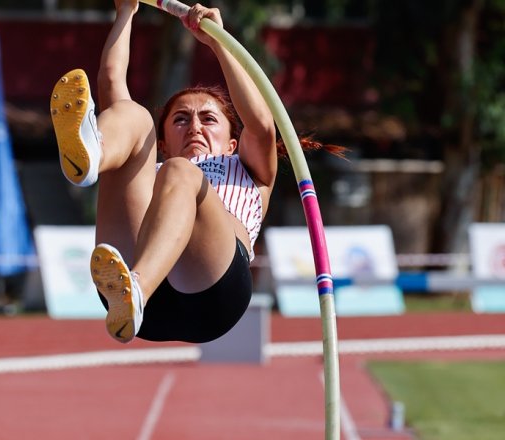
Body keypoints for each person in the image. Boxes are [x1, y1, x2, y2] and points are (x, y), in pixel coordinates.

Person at [51, 1, 342, 344]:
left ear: (233, 143)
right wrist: (126, 12)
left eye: (208, 119)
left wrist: (218, 42)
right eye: (180, 119)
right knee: (132, 115)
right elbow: (111, 81)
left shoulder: (249, 169)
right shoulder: (156, 167)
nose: (194, 127)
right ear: (163, 143)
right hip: (144, 299)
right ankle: (89, 157)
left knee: (181, 174)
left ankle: (137, 292)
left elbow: (262, 126)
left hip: (214, 294)